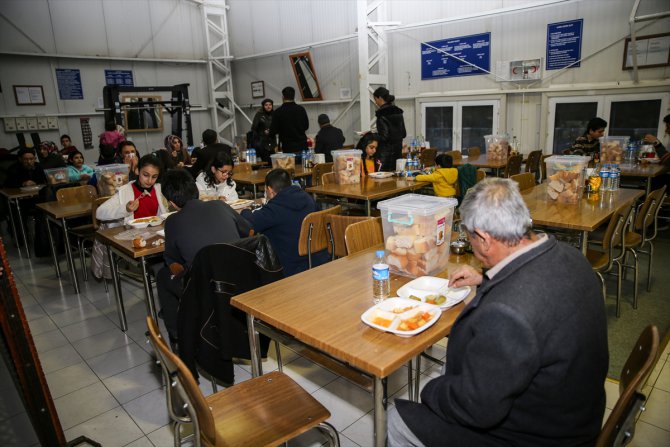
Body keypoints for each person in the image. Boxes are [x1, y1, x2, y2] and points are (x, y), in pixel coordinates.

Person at [388, 178, 608, 447]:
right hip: (577, 411)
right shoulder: (572, 256)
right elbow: (534, 282)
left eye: (469, 236)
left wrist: (431, 390)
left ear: (483, 238)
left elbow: (475, 408)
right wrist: (485, 278)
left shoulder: (506, 314)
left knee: (397, 417)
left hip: (543, 436)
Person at [157, 168, 251, 342]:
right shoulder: (220, 205)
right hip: (240, 278)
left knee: (163, 275)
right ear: (195, 190)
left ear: (171, 202)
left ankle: (178, 335)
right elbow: (247, 231)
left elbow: (172, 261)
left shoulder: (172, 222)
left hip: (206, 287)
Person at [240, 168, 326, 276]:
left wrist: (246, 210)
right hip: (320, 260)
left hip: (292, 268)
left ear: (270, 190)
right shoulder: (308, 198)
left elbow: (248, 223)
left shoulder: (275, 208)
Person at [96, 153, 168, 225]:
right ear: (137, 171)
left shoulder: (158, 190)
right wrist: (125, 209)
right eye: (145, 175)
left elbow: (164, 213)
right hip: (133, 233)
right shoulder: (125, 191)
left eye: (154, 177)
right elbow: (99, 212)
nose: (149, 180)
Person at [373, 87, 406, 171]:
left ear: (380, 98)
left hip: (385, 155)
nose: (375, 102)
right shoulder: (398, 112)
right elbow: (403, 133)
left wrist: (372, 135)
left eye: (375, 99)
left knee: (382, 182)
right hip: (397, 154)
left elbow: (384, 137)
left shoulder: (381, 114)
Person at [269, 86, 309, 152]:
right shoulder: (301, 109)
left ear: (283, 97)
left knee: (290, 162)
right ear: (294, 97)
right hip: (302, 146)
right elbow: (306, 126)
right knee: (302, 162)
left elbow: (273, 131)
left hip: (287, 147)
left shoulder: (278, 112)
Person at [250, 98, 274, 163]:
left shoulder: (274, 114)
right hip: (262, 142)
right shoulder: (259, 115)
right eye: (266, 105)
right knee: (265, 161)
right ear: (263, 106)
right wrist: (263, 131)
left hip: (273, 141)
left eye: (270, 105)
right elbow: (254, 128)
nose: (268, 106)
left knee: (273, 160)